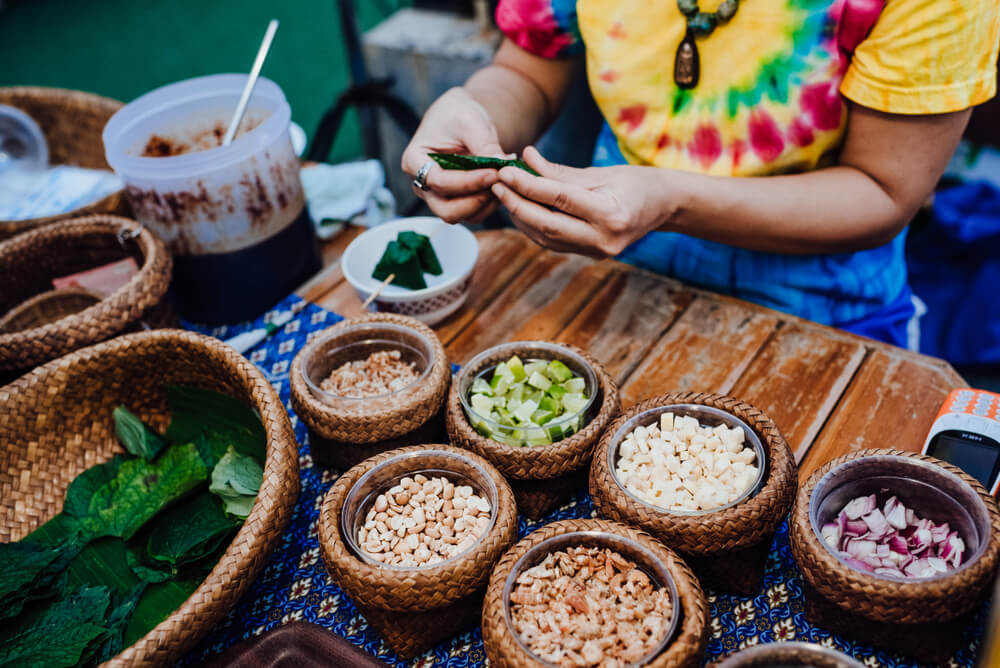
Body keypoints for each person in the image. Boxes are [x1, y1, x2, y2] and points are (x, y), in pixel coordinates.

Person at [401, 0, 1000, 348]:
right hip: (614, 282)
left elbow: (883, 189)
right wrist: (476, 109)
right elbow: (528, 73)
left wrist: (671, 200)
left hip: (823, 310)